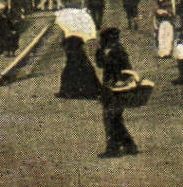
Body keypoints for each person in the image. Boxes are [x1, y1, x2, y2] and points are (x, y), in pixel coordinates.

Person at [95, 27, 140, 156]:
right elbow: (100, 64)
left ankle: (113, 148)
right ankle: (129, 145)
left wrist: (102, 53)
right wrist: (100, 51)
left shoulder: (117, 51)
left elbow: (110, 65)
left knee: (110, 117)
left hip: (117, 88)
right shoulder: (112, 50)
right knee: (115, 118)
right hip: (112, 88)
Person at [55, 8, 101, 101]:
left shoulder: (66, 26)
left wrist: (64, 43)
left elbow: (63, 41)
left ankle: (72, 90)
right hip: (77, 49)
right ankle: (88, 90)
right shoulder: (81, 25)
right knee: (84, 69)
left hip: (72, 49)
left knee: (70, 71)